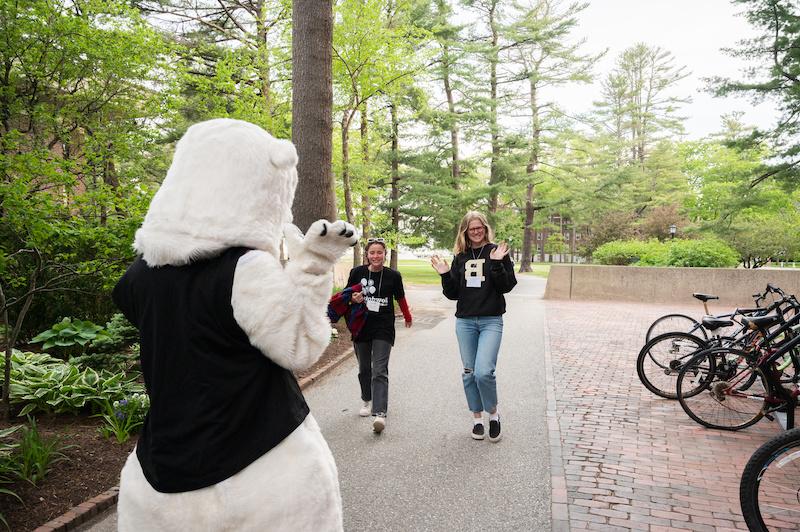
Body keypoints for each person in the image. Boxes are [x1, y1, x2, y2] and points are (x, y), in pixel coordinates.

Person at [430, 211, 517, 442]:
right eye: (472, 229)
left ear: (485, 228)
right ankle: (477, 418)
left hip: (491, 320)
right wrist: (445, 274)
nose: (476, 232)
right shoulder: (461, 257)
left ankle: (494, 415)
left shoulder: (497, 251)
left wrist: (497, 263)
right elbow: (453, 294)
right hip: (466, 322)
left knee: (484, 372)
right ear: (465, 232)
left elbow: (506, 286)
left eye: (479, 227)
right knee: (469, 372)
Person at [346, 237, 412, 433]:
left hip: (383, 327)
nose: (376, 256)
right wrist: (353, 298)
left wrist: (407, 316)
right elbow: (346, 295)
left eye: (379, 252)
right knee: (364, 368)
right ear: (367, 255)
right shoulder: (357, 272)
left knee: (380, 369)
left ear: (384, 254)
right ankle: (367, 400)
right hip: (361, 325)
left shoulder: (393, 275)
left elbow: (400, 298)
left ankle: (380, 413)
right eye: (372, 252)